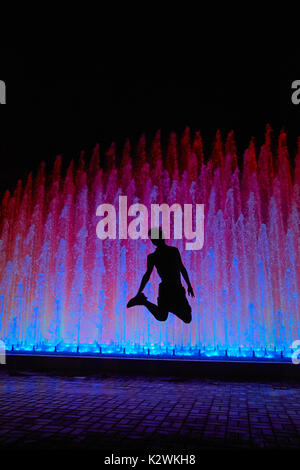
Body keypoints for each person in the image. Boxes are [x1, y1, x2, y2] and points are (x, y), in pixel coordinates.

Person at [127, 227, 194, 323]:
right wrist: (139, 292)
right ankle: (144, 301)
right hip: (167, 289)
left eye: (154, 238)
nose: (154, 241)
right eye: (153, 239)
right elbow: (147, 275)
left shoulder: (172, 251)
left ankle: (165, 306)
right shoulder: (154, 256)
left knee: (186, 318)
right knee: (163, 316)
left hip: (175, 288)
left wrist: (189, 285)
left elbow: (182, 268)